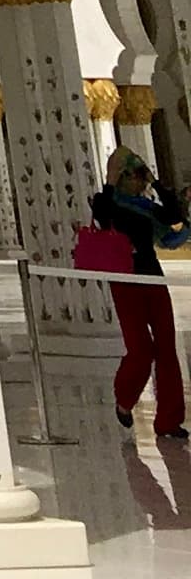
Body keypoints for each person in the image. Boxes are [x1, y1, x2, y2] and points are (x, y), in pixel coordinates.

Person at [90, 150, 188, 438]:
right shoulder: (109, 202)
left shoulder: (146, 207)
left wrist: (154, 181)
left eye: (140, 176)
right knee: (141, 349)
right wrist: (110, 179)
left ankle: (169, 420)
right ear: (122, 178)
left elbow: (174, 216)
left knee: (166, 347)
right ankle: (125, 398)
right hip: (125, 280)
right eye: (134, 176)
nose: (139, 182)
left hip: (152, 277)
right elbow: (102, 215)